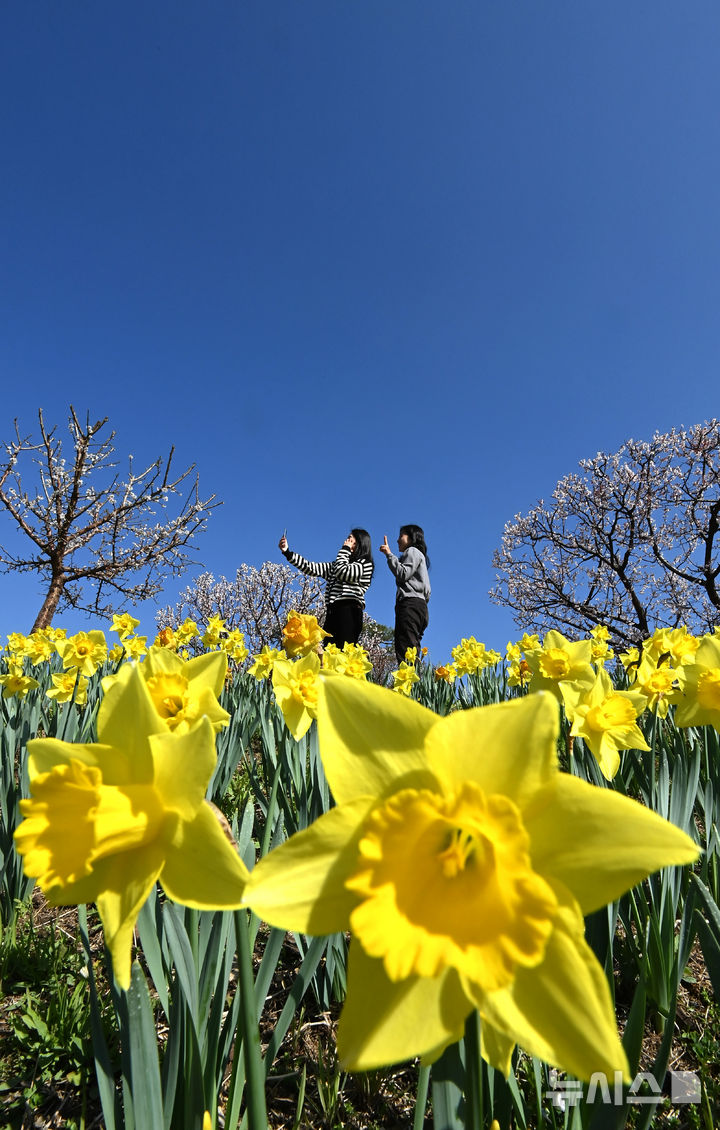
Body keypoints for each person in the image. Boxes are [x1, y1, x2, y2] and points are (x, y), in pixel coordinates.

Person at [279, 529, 374, 649]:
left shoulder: (365, 563)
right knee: (329, 650)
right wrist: (287, 552)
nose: (346, 541)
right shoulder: (338, 564)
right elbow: (311, 567)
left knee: (344, 650)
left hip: (349, 610)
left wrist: (345, 550)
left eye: (350, 539)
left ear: (359, 543)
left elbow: (343, 572)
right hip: (332, 611)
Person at [380, 524, 431, 664]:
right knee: (413, 649)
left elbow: (403, 573)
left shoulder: (412, 551)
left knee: (405, 649)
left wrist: (389, 555)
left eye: (401, 536)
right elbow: (427, 591)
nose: (397, 540)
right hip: (421, 607)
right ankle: (416, 683)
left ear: (411, 537)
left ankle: (408, 684)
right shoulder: (420, 556)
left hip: (410, 604)